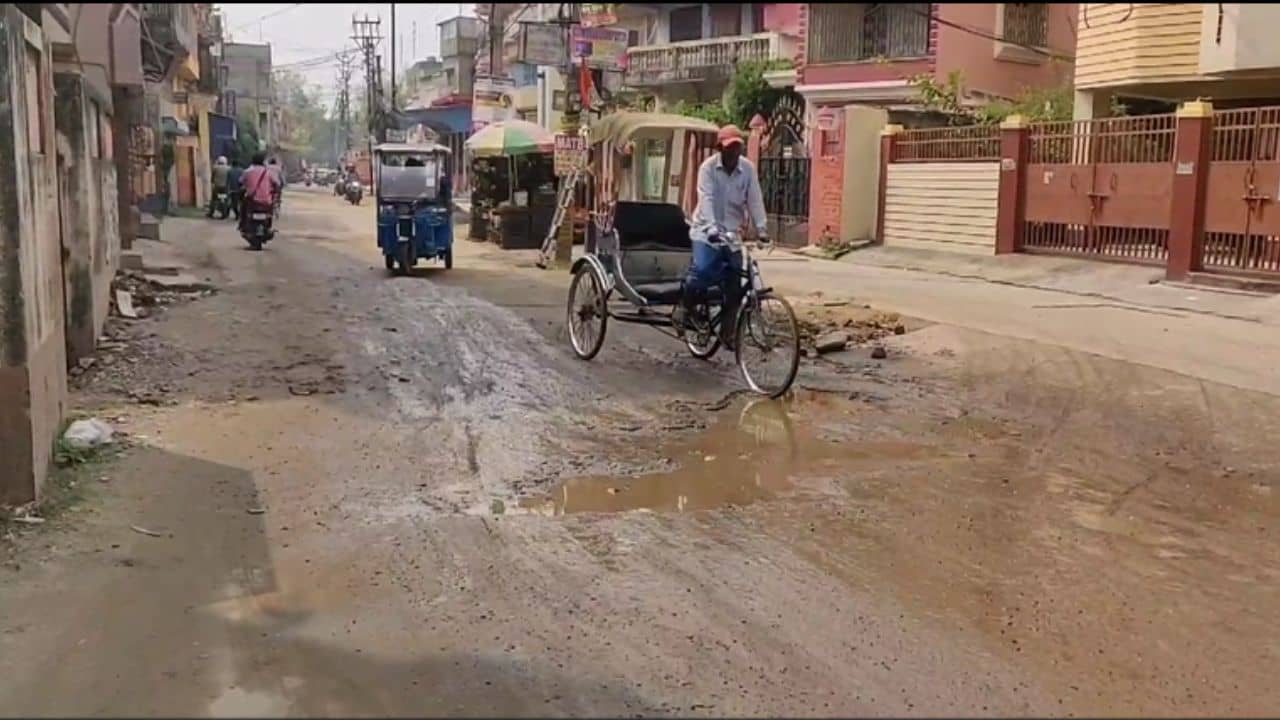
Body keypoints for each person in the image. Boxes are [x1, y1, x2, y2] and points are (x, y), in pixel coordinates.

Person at [681, 124, 768, 345]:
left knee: (735, 285)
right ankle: (688, 308)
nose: (734, 152)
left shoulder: (747, 169)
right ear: (721, 148)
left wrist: (762, 228)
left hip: (731, 234)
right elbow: (706, 198)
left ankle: (728, 333)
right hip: (705, 231)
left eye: (738, 147)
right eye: (730, 147)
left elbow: (754, 199)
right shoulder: (708, 169)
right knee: (702, 271)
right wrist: (711, 227)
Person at [239, 152, 282, 231]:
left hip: (252, 200)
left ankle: (242, 224)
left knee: (243, 208)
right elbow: (277, 183)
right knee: (270, 211)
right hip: (266, 200)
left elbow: (240, 182)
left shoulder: (247, 171)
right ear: (263, 161)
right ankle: (268, 225)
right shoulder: (268, 172)